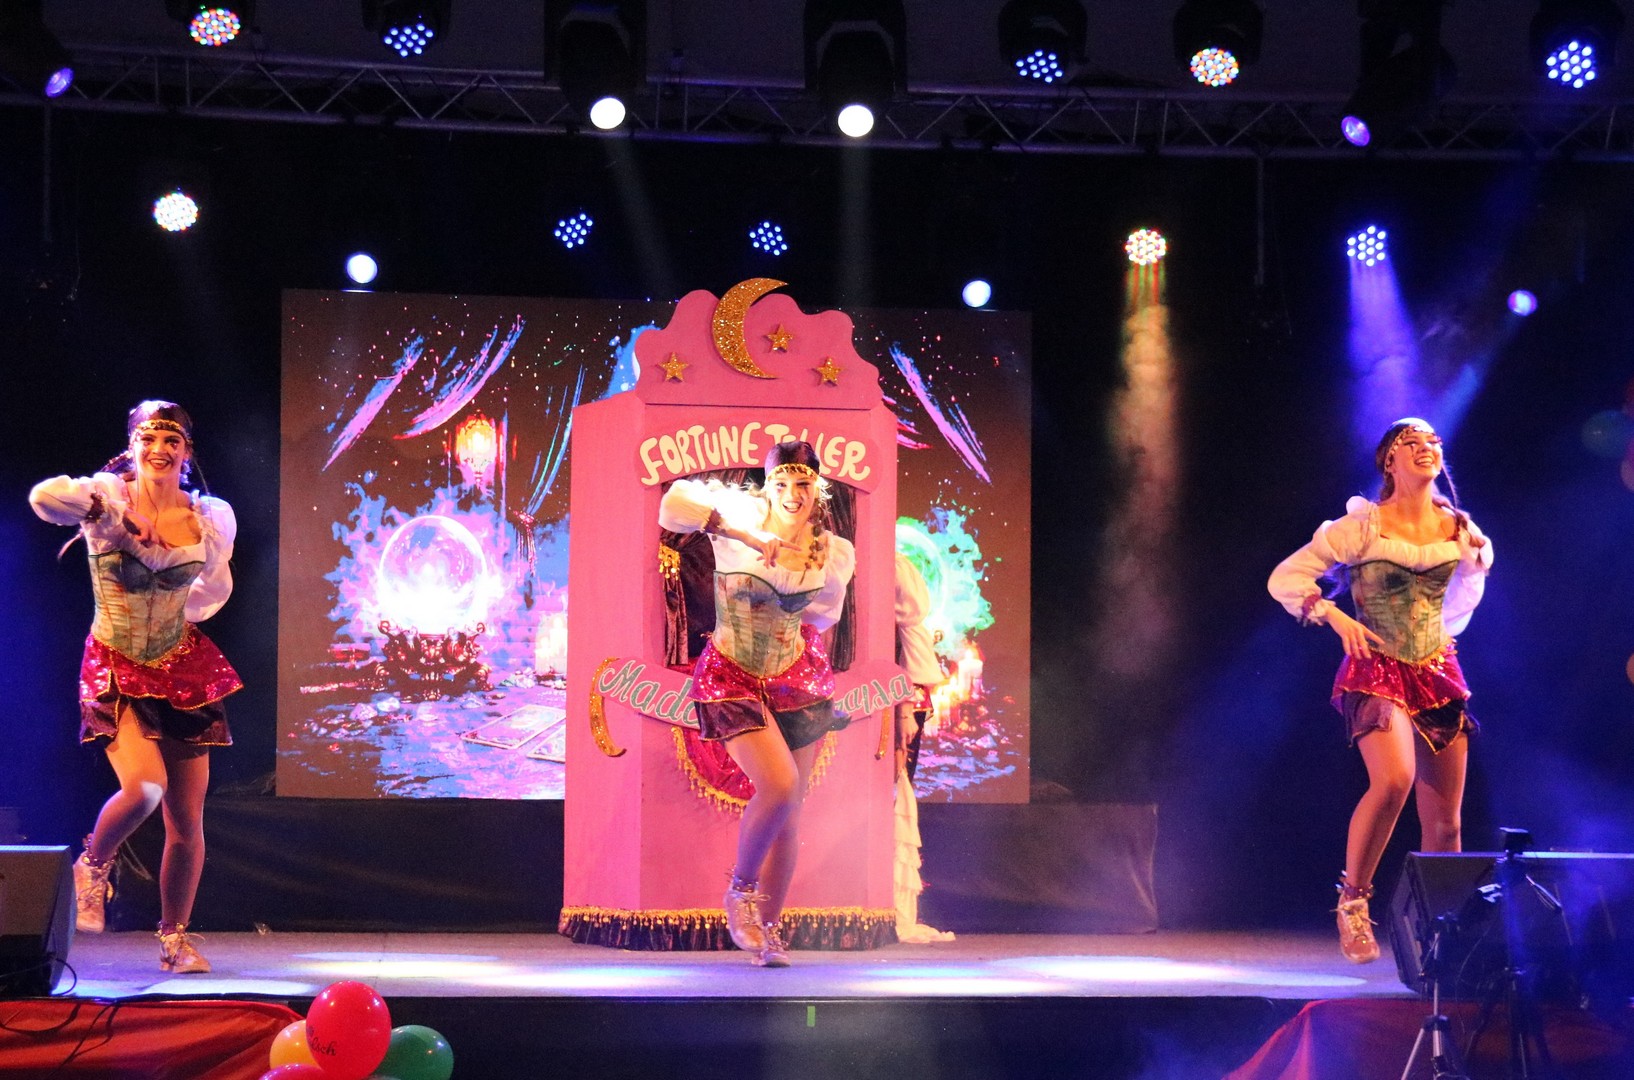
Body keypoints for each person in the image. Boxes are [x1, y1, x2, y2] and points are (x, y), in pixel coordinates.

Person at [1269, 417, 1492, 963]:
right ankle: (1353, 902)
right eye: (1411, 442)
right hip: (1377, 666)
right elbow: (1287, 578)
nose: (1426, 447)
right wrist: (1332, 614)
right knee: (1393, 779)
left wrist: (1440, 631)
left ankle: (1445, 936)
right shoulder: (1363, 527)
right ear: (1389, 460)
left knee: (1447, 822)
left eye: (1433, 441)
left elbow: (1466, 592)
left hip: (1436, 668)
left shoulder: (1459, 529)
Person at [30, 400, 241, 974]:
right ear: (132, 445)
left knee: (187, 823)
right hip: (116, 662)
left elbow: (210, 592)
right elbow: (43, 497)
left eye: (172, 441)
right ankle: (93, 865)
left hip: (180, 665)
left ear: (187, 452)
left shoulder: (209, 517)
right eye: (149, 438)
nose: (160, 450)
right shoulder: (105, 497)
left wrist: (175, 613)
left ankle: (174, 940)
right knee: (145, 787)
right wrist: (116, 516)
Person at [658, 439, 855, 967]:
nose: (792, 494)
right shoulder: (740, 515)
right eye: (782, 483)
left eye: (803, 484)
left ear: (818, 488)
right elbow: (671, 507)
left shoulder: (833, 550)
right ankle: (739, 892)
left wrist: (786, 627)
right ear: (768, 486)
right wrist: (744, 534)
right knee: (780, 783)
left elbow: (825, 615)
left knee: (790, 812)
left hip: (798, 677)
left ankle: (768, 934)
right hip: (732, 672)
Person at [892, 551, 955, 943]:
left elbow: (907, 643)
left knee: (896, 792)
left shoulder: (894, 567)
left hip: (900, 703)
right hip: (881, 700)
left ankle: (894, 907)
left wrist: (906, 707)